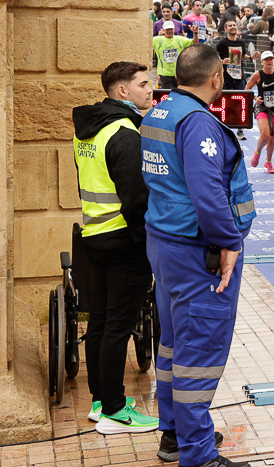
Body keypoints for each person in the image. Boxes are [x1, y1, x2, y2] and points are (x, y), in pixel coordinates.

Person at [141, 45, 257, 467]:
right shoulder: (197, 122)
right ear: (217, 77)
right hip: (198, 253)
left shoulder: (160, 111)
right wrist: (230, 242)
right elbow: (208, 194)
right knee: (200, 353)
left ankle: (176, 434)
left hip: (165, 242)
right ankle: (199, 455)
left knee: (174, 345)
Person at [72, 62, 157, 434]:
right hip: (124, 242)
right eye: (143, 84)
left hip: (94, 236)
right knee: (118, 327)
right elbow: (137, 200)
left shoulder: (87, 130)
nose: (149, 90)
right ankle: (115, 411)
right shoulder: (124, 133)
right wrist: (148, 245)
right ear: (122, 91)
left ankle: (100, 401)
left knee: (101, 322)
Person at [245, 51, 274, 174]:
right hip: (262, 108)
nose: (269, 62)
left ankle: (268, 162)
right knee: (266, 136)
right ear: (262, 62)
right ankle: (257, 152)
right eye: (266, 60)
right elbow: (247, 88)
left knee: (272, 138)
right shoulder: (257, 75)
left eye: (271, 59)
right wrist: (255, 98)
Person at [152, 22, 193, 89]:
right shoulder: (157, 40)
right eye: (167, 29)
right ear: (163, 30)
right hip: (165, 74)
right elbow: (145, 41)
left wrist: (195, 33)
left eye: (171, 29)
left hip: (178, 74)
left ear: (174, 29)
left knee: (179, 92)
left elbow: (194, 42)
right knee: (168, 93)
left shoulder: (180, 39)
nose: (169, 31)